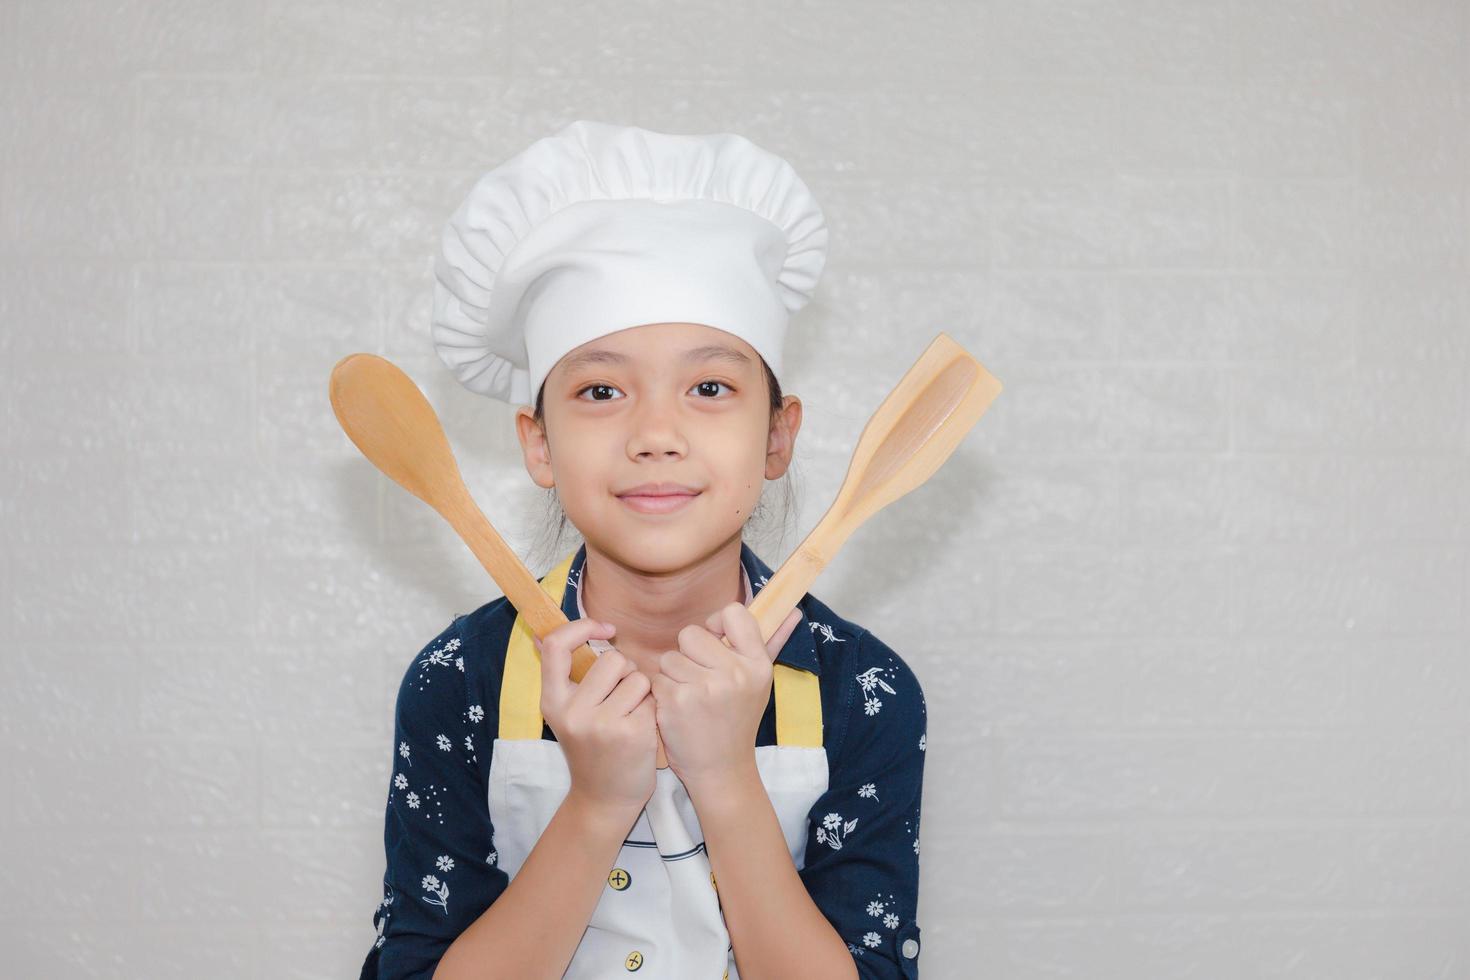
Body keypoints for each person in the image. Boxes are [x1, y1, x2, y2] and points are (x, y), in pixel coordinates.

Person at [359, 120, 927, 980]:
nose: (656, 433)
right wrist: (595, 805)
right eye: (599, 389)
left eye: (709, 387)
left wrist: (727, 780)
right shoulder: (462, 679)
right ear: (538, 444)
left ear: (778, 438)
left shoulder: (860, 689)